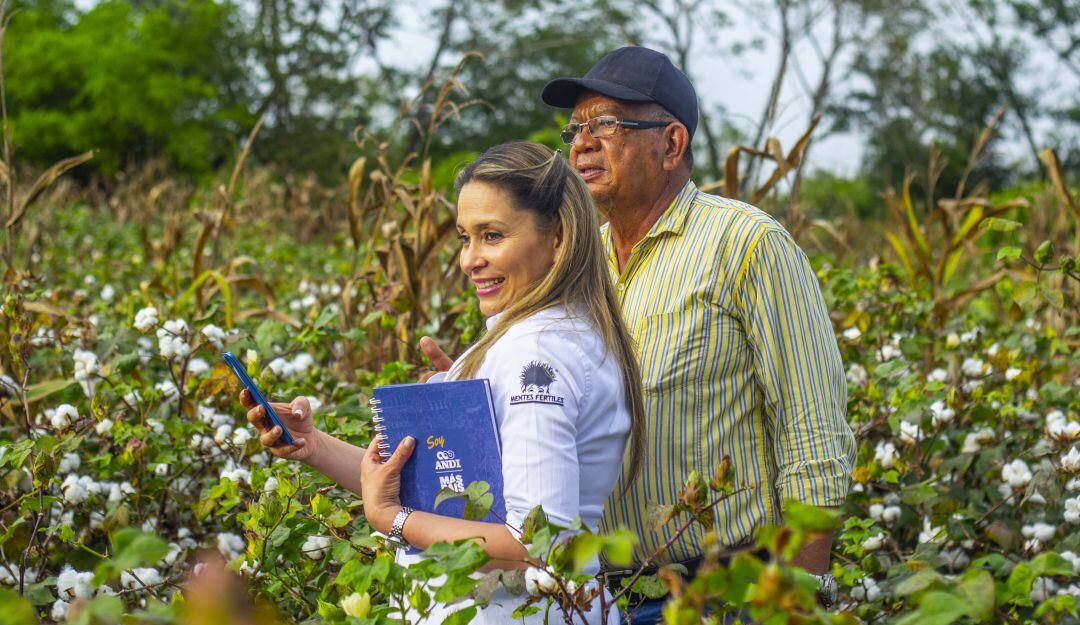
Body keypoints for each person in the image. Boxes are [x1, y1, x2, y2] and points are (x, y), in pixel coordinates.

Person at [239, 141, 646, 623]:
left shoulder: (534, 354)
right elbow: (434, 495)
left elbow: (537, 545)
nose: (469, 260)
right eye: (463, 238)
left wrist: (393, 521)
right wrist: (314, 446)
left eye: (492, 236)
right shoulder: (542, 338)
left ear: (557, 238)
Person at [535, 46, 860, 623]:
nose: (580, 143)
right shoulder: (579, 266)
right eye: (575, 128)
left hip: (724, 595)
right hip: (601, 599)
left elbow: (812, 431)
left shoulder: (747, 244)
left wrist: (802, 594)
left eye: (604, 123)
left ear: (671, 144)